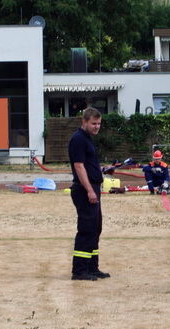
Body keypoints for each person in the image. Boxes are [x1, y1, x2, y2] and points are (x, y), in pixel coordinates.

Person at [68, 107, 110, 281]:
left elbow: (88, 164)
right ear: (84, 121)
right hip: (85, 190)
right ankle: (79, 271)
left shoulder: (87, 139)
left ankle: (92, 267)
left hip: (93, 188)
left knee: (95, 228)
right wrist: (90, 190)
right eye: (93, 123)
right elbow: (79, 166)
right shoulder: (78, 139)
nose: (97, 126)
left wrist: (102, 171)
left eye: (99, 123)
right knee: (86, 229)